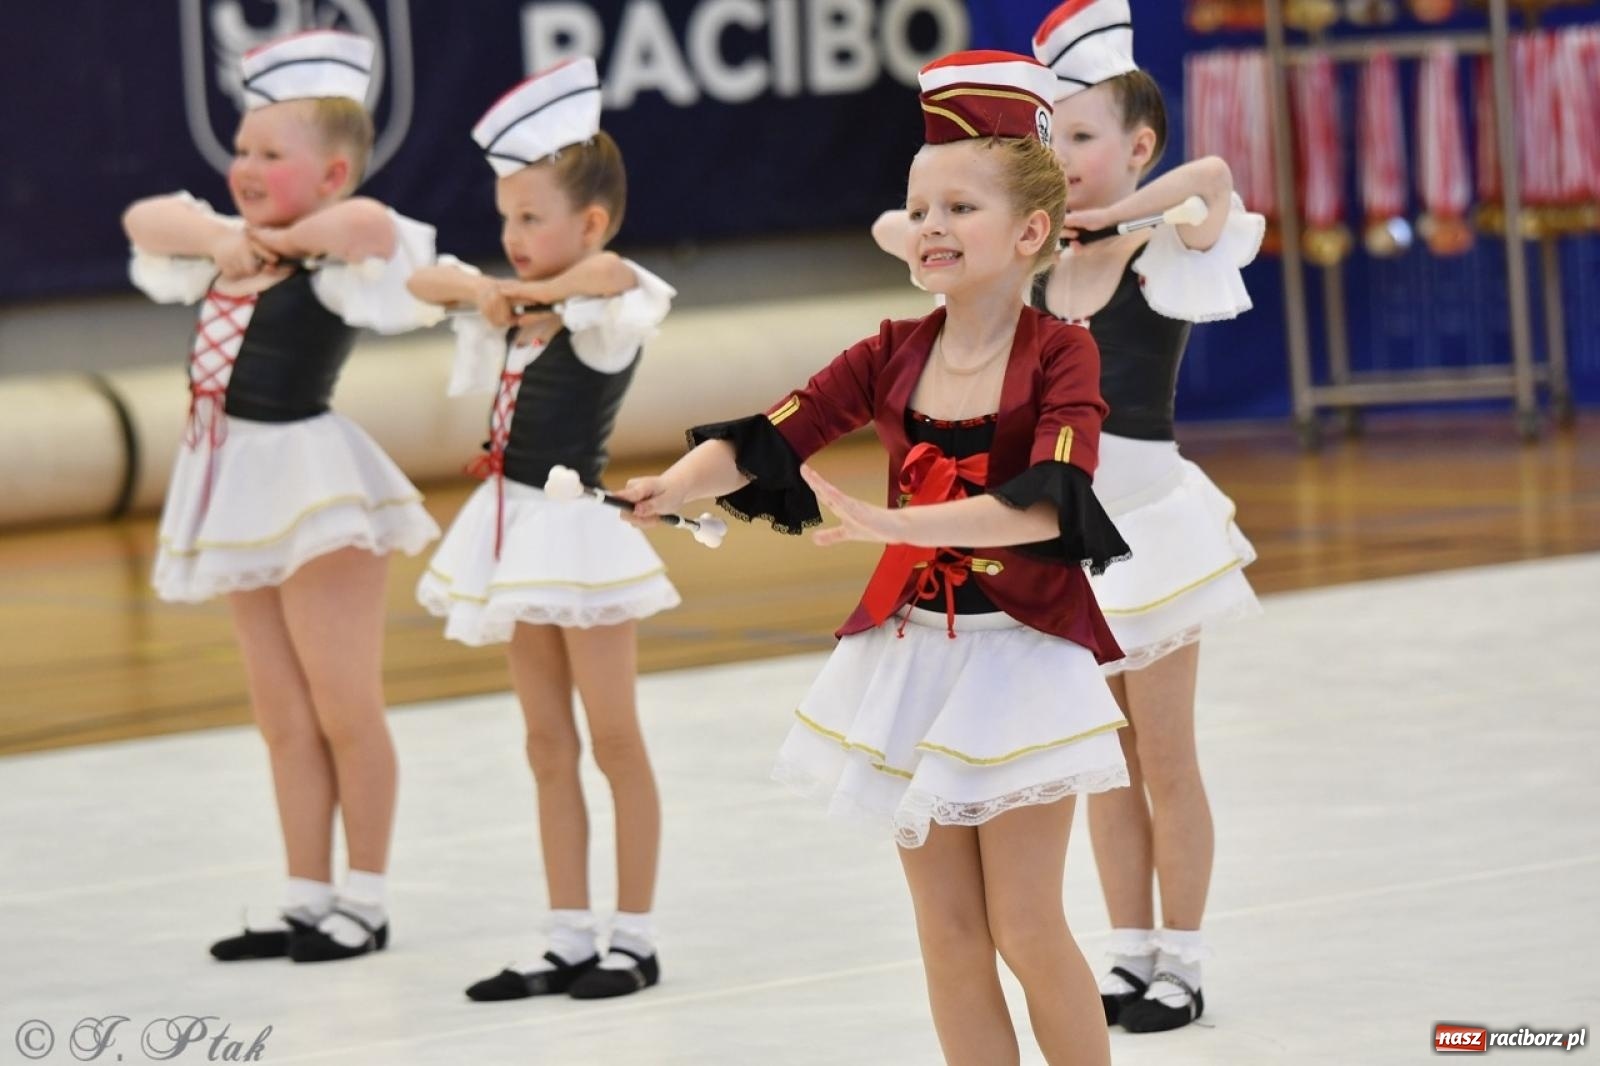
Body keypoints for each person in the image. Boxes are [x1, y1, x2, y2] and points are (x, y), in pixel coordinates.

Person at [619, 51, 1129, 1066]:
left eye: (958, 205)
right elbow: (772, 435)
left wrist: (897, 527)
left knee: (1026, 926)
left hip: (1021, 659)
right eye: (919, 204)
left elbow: (1048, 509)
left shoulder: (1061, 352)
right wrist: (671, 488)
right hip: (912, 663)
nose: (931, 225)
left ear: (1030, 232)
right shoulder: (891, 348)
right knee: (945, 936)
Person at [120, 30, 442, 963]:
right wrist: (229, 239)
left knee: (346, 705)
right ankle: (306, 893)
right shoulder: (224, 246)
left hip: (314, 489)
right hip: (234, 484)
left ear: (333, 170)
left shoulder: (340, 258)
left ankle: (368, 899)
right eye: (242, 149)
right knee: (281, 713)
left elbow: (373, 228)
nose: (244, 166)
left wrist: (278, 241)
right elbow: (146, 219)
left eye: (271, 154)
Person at [407, 57, 678, 1001]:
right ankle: (568, 932)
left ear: (590, 220)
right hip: (511, 533)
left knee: (614, 739)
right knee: (545, 743)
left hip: (578, 531)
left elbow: (614, 275)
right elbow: (419, 282)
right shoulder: (516, 312)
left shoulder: (606, 310)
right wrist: (493, 292)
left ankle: (633, 937)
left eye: (531, 219)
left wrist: (511, 295)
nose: (512, 238)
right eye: (507, 219)